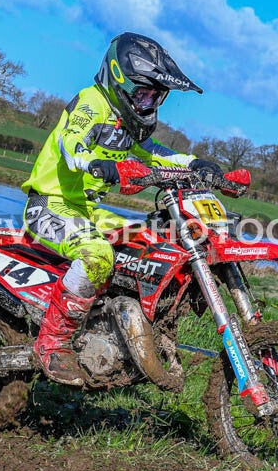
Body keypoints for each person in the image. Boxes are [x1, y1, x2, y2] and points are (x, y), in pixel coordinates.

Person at [21, 32, 222, 385]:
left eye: (155, 97)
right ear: (118, 79)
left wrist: (195, 164)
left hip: (88, 211)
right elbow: (71, 142)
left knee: (148, 243)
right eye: (142, 93)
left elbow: (155, 153)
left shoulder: (126, 124)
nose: (147, 103)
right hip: (49, 206)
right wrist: (93, 164)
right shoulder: (92, 103)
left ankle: (117, 331)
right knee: (98, 254)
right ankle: (52, 344)